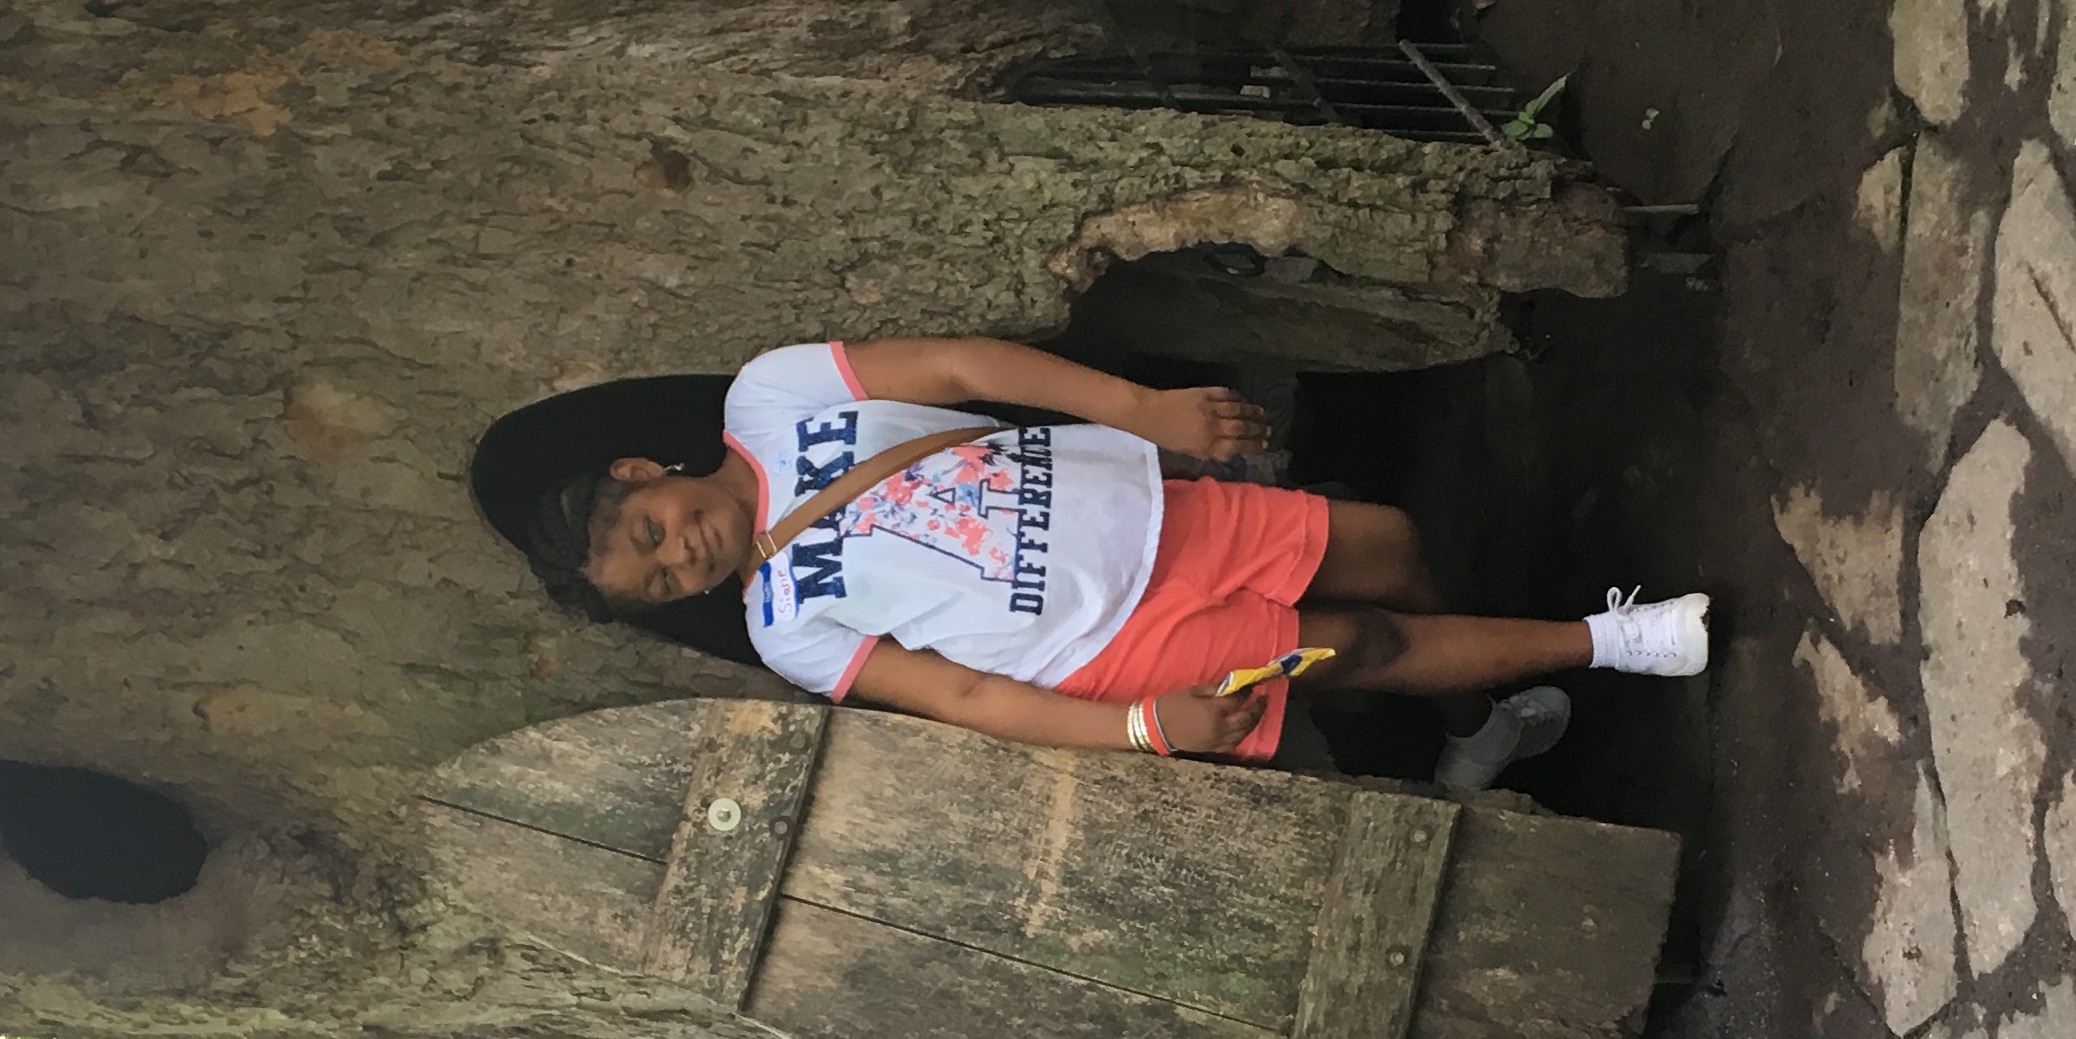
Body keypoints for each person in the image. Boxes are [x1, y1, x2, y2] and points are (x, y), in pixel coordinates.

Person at [522, 335, 1701, 780]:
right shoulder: (785, 627)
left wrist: (1142, 407)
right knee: (1363, 643)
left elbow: (955, 371)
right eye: (663, 582)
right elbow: (966, 693)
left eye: (652, 533)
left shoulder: (770, 394)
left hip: (1141, 508)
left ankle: (1470, 722)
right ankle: (1618, 640)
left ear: (643, 476)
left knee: (1387, 545)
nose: (680, 553)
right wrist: (1139, 730)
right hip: (1108, 643)